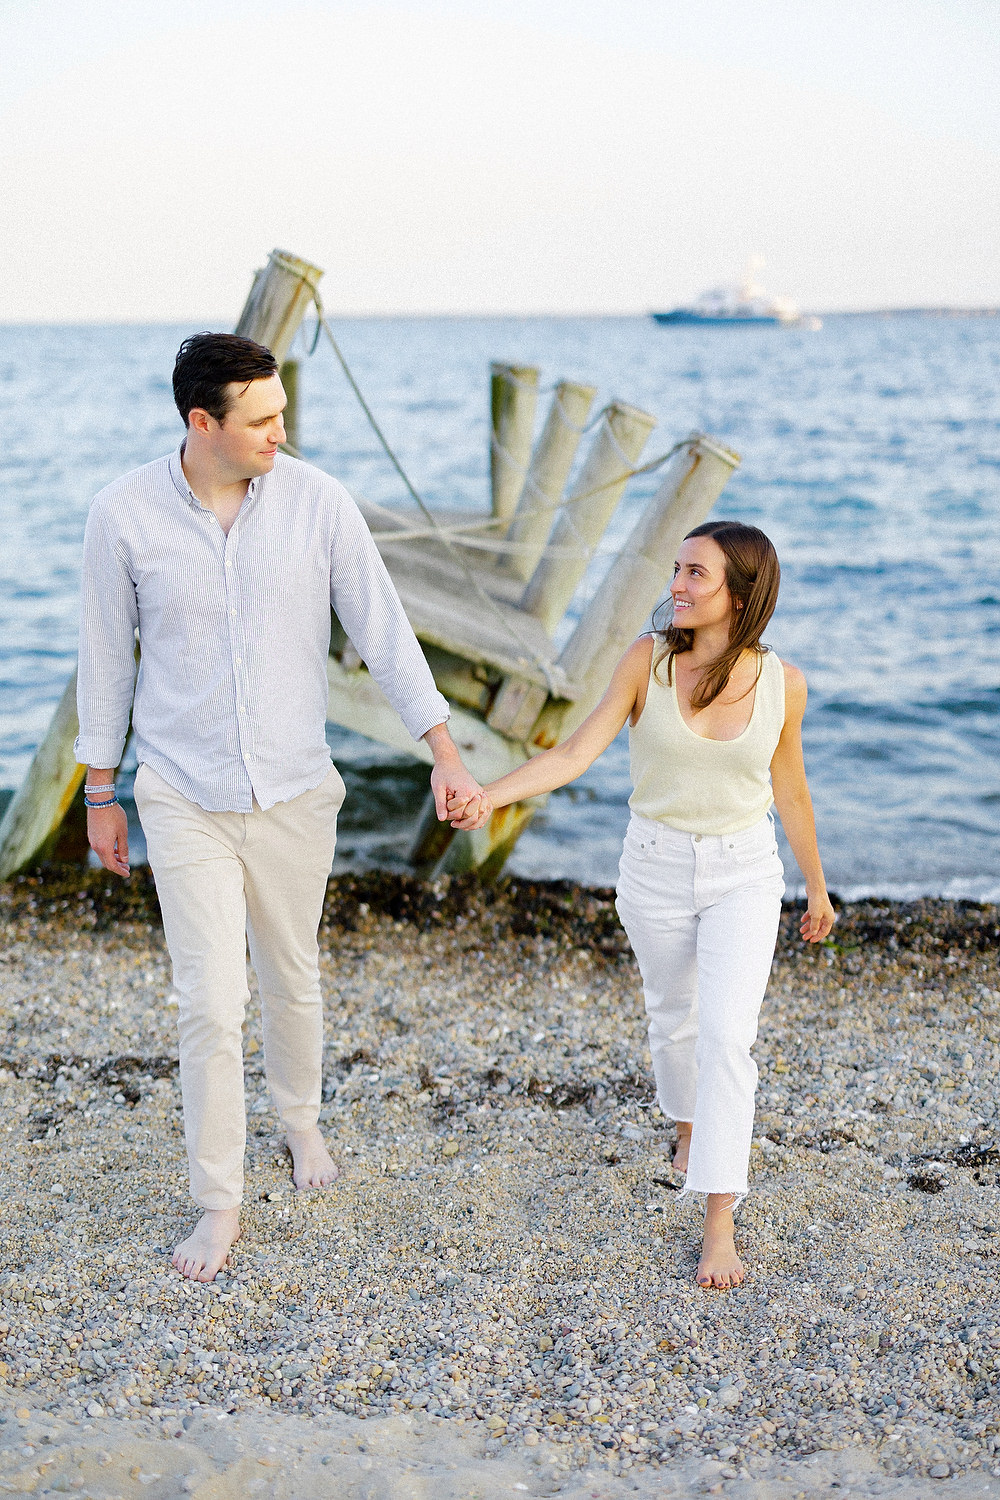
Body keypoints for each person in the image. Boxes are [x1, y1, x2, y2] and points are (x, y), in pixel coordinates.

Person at [77, 332, 488, 1283]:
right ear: (201, 422)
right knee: (211, 1004)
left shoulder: (318, 502)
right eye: (260, 419)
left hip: (298, 787)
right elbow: (106, 659)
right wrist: (101, 792)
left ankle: (299, 1121)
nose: (280, 432)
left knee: (292, 972)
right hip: (182, 792)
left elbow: (385, 635)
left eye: (283, 413)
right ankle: (218, 1201)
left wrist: (444, 752)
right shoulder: (123, 515)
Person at [450, 520, 834, 1289]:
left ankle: (718, 1219)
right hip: (653, 867)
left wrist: (817, 887)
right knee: (673, 1016)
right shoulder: (647, 661)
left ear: (741, 593)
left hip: (743, 874)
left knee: (728, 1038)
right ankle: (690, 1126)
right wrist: (490, 795)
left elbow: (788, 786)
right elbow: (573, 753)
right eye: (677, 569)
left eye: (697, 574)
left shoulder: (782, 684)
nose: (678, 585)